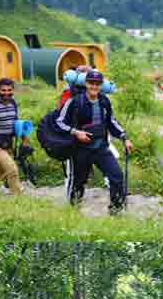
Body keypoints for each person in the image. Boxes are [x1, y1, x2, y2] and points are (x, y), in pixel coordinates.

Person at [56, 70, 133, 214]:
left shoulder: (104, 101)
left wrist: (124, 137)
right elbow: (59, 122)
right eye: (91, 83)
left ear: (101, 85)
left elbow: (111, 121)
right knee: (78, 182)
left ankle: (116, 210)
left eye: (97, 84)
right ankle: (73, 211)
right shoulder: (74, 102)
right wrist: (76, 132)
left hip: (101, 148)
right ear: (86, 83)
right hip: (80, 149)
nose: (94, 86)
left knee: (116, 176)